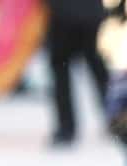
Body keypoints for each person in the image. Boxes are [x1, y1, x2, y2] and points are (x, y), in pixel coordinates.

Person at [45, 0, 109, 145]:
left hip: (62, 15)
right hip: (89, 13)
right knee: (95, 65)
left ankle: (66, 127)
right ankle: (116, 115)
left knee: (61, 69)